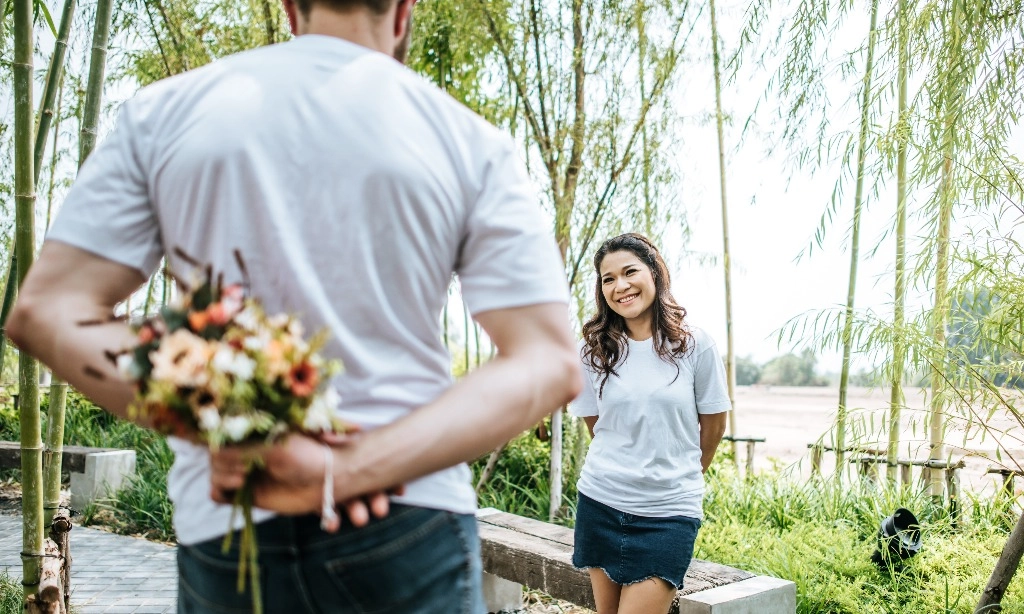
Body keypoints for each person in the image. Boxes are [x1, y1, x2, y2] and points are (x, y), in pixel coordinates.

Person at [6, 0, 583, 611]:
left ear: (289, 10)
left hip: (230, 518)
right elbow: (546, 360)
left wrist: (234, 426)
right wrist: (346, 469)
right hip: (410, 516)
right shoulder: (466, 138)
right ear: (403, 13)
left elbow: (47, 312)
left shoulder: (167, 112)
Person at [568, 233, 730, 614]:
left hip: (669, 512)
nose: (620, 286)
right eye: (608, 279)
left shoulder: (694, 345)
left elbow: (714, 425)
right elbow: (599, 426)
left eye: (629, 272)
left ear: (654, 273)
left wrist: (683, 472)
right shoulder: (593, 352)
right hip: (601, 501)